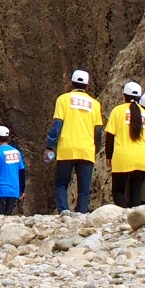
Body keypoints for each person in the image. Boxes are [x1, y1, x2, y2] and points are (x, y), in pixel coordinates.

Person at [47, 70, 104, 212]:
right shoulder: (95, 104)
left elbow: (57, 125)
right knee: (84, 189)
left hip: (67, 148)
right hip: (86, 150)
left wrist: (49, 145)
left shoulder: (63, 99)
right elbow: (98, 130)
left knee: (61, 184)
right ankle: (81, 213)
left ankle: (64, 211)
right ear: (87, 85)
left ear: (72, 83)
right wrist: (96, 148)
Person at [103, 81, 145, 208]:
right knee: (136, 192)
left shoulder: (117, 111)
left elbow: (110, 136)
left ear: (124, 95)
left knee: (118, 190)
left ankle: (123, 215)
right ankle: (134, 216)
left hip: (122, 157)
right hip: (142, 159)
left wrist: (108, 156)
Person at [0, 125, 26, 214]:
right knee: (9, 217)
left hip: (0, 190)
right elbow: (22, 171)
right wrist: (22, 190)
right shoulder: (16, 152)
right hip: (14, 190)